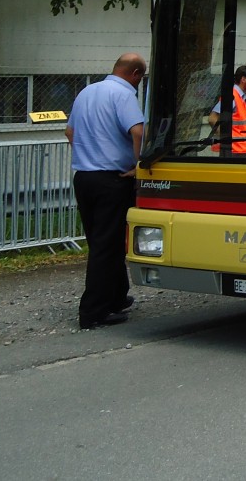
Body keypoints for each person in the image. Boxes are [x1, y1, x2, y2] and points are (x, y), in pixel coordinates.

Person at [65, 53, 146, 330]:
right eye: (140, 78)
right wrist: (138, 165)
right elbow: (137, 130)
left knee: (101, 240)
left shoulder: (87, 92)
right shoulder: (123, 94)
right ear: (135, 74)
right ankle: (93, 311)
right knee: (106, 245)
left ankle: (117, 296)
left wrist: (90, 154)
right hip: (113, 180)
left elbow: (70, 133)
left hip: (85, 177)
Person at [209, 65, 246, 153]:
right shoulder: (232, 96)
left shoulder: (240, 97)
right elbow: (212, 119)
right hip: (235, 151)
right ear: (243, 79)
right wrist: (227, 140)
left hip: (240, 149)